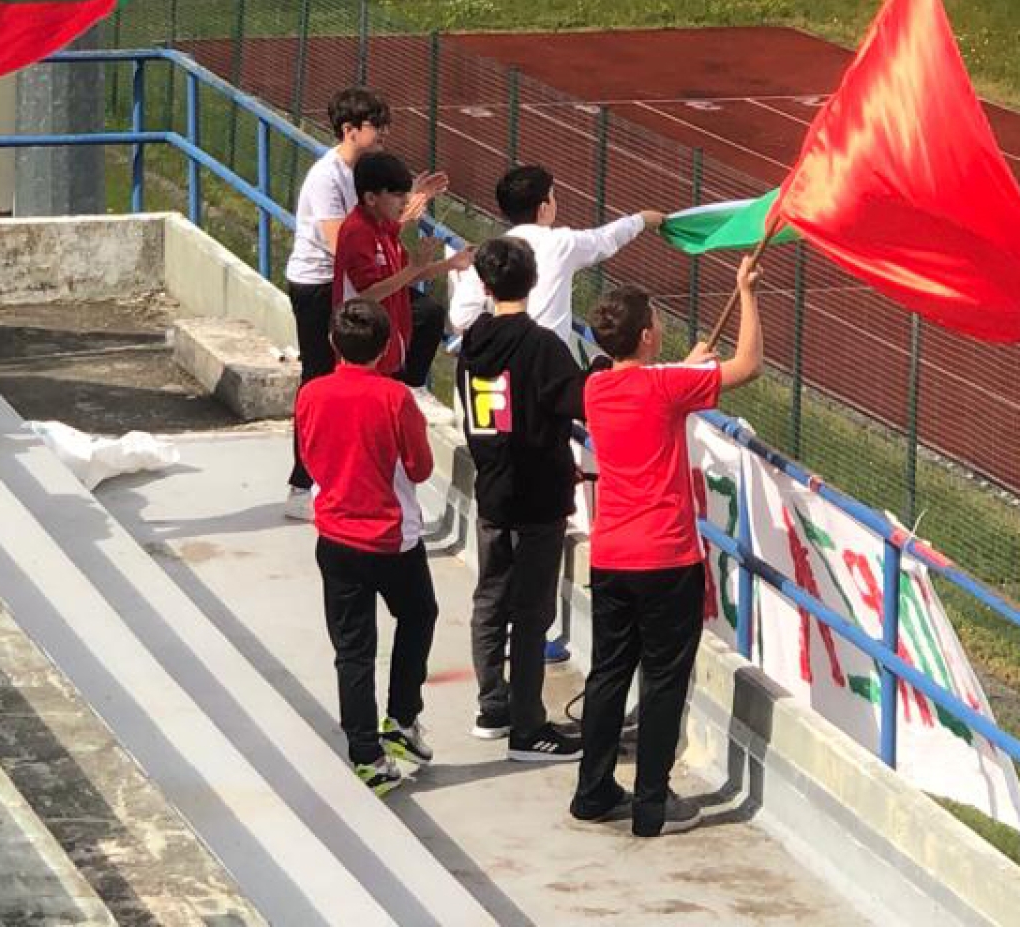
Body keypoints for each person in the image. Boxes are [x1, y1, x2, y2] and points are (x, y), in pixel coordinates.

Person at [569, 256, 763, 838]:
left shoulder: (596, 387)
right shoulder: (667, 386)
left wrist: (684, 366)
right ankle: (652, 803)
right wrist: (746, 292)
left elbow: (648, 383)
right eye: (655, 320)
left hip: (611, 554)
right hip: (667, 557)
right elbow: (748, 365)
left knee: (608, 674)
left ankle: (593, 791)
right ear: (648, 335)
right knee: (662, 682)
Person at [297, 299, 440, 796]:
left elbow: (309, 455)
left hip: (335, 537)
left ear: (333, 343)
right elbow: (421, 467)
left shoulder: (311, 394)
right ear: (386, 348)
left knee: (353, 650)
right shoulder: (395, 398)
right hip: (391, 539)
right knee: (418, 615)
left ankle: (366, 755)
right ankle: (401, 718)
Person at [284, 88, 447, 520]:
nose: (384, 133)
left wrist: (406, 203)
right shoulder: (327, 177)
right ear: (349, 130)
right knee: (319, 378)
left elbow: (374, 230)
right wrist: (404, 215)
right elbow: (345, 245)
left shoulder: (364, 175)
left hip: (353, 283)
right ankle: (302, 484)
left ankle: (403, 387)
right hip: (320, 286)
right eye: (376, 126)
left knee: (426, 314)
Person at [457, 237, 589, 761]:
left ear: (485, 285)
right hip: (539, 497)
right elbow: (579, 402)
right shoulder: (542, 347)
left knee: (490, 601)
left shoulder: (471, 344)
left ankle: (492, 706)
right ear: (533, 282)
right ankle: (529, 727)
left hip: (492, 492)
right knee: (532, 614)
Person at [447, 164, 663, 358]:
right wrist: (641, 220)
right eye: (552, 196)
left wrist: (494, 340)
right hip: (548, 368)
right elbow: (604, 239)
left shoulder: (489, 254)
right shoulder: (561, 243)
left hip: (499, 371)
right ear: (543, 208)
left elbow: (461, 316)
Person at [334, 151, 471, 386]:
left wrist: (450, 263)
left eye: (406, 194)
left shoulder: (384, 229)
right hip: (363, 352)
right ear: (371, 198)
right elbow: (367, 294)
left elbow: (403, 276)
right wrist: (414, 268)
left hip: (387, 348)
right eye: (398, 195)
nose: (406, 202)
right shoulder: (357, 232)